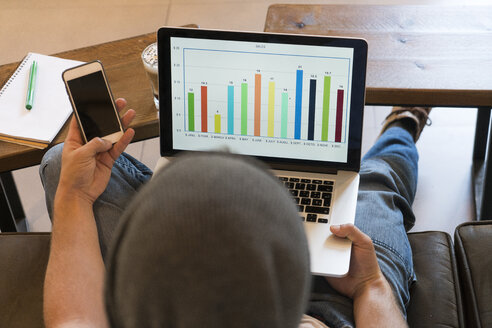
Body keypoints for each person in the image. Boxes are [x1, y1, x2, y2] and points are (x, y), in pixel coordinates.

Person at [40, 98, 431, 328]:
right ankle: (403, 125)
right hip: (338, 307)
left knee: (64, 165)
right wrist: (369, 285)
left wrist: (74, 196)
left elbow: (71, 321)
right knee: (378, 181)